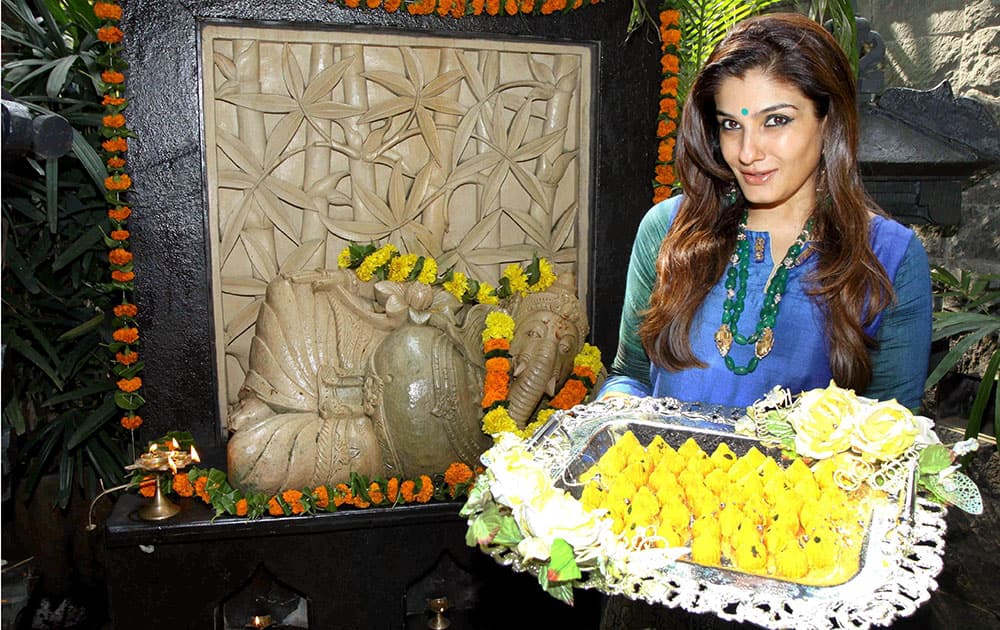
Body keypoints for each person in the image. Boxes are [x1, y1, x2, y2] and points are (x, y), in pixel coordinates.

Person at [600, 12, 932, 412]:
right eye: (730, 124)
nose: (747, 153)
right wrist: (614, 410)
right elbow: (632, 374)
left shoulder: (888, 258)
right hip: (664, 471)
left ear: (828, 122)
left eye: (776, 121)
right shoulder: (669, 229)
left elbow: (892, 432)